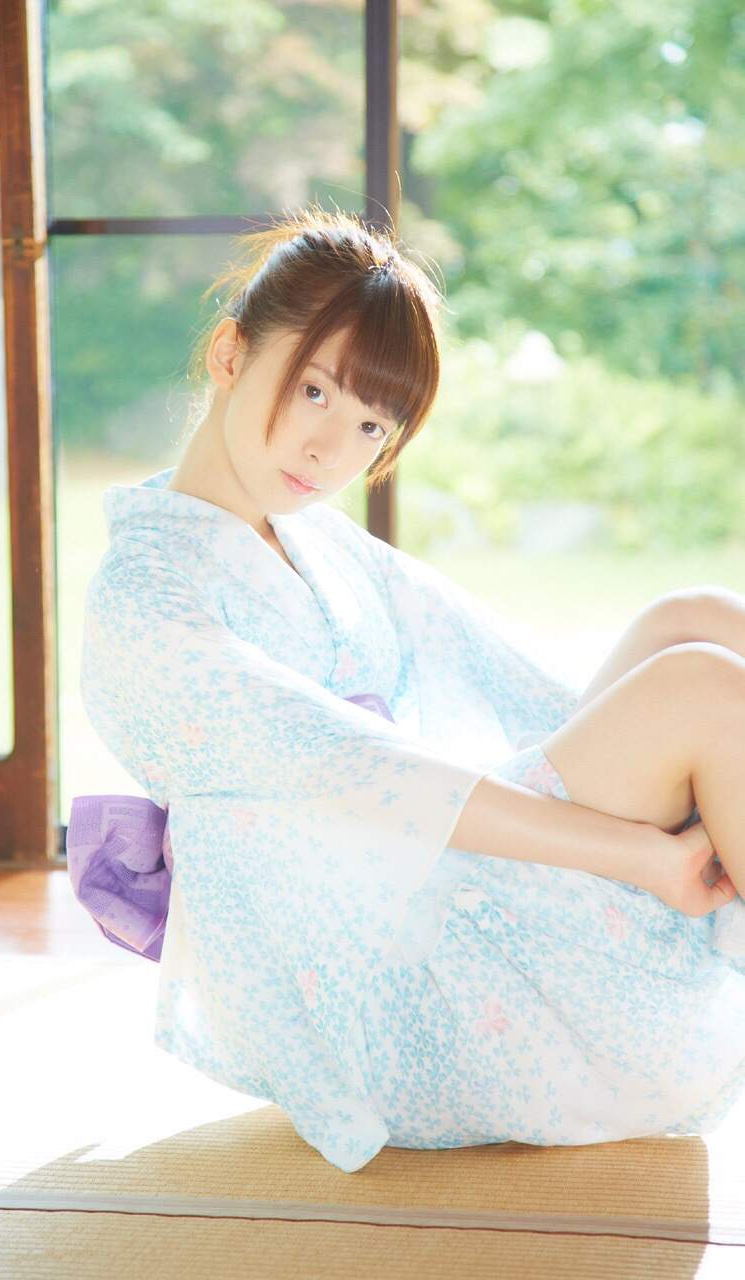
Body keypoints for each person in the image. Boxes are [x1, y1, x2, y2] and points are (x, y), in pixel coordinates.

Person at [71, 202, 745, 1174]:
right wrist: (641, 852)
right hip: (376, 972)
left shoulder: (310, 536)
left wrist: (668, 780)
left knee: (696, 620)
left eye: (369, 424)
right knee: (700, 689)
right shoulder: (145, 601)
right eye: (313, 390)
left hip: (416, 866)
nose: (330, 450)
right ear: (229, 353)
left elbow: (503, 678)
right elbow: (357, 771)